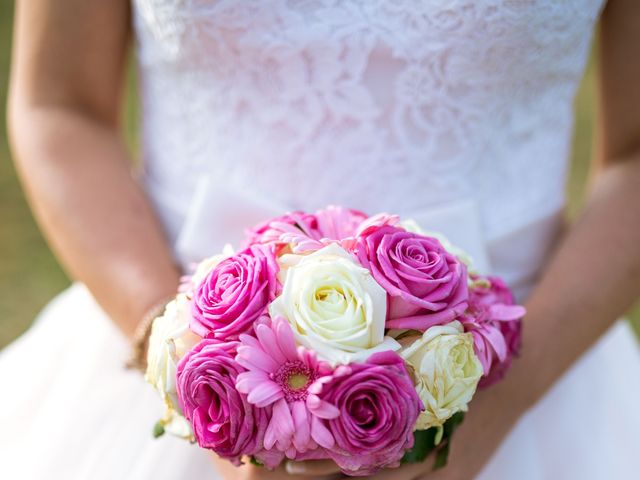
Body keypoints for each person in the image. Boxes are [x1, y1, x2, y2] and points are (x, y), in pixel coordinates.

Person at [1, 0, 639, 478]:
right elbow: (61, 104)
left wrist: (497, 405)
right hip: (172, 346)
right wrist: (183, 370)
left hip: (530, 362)